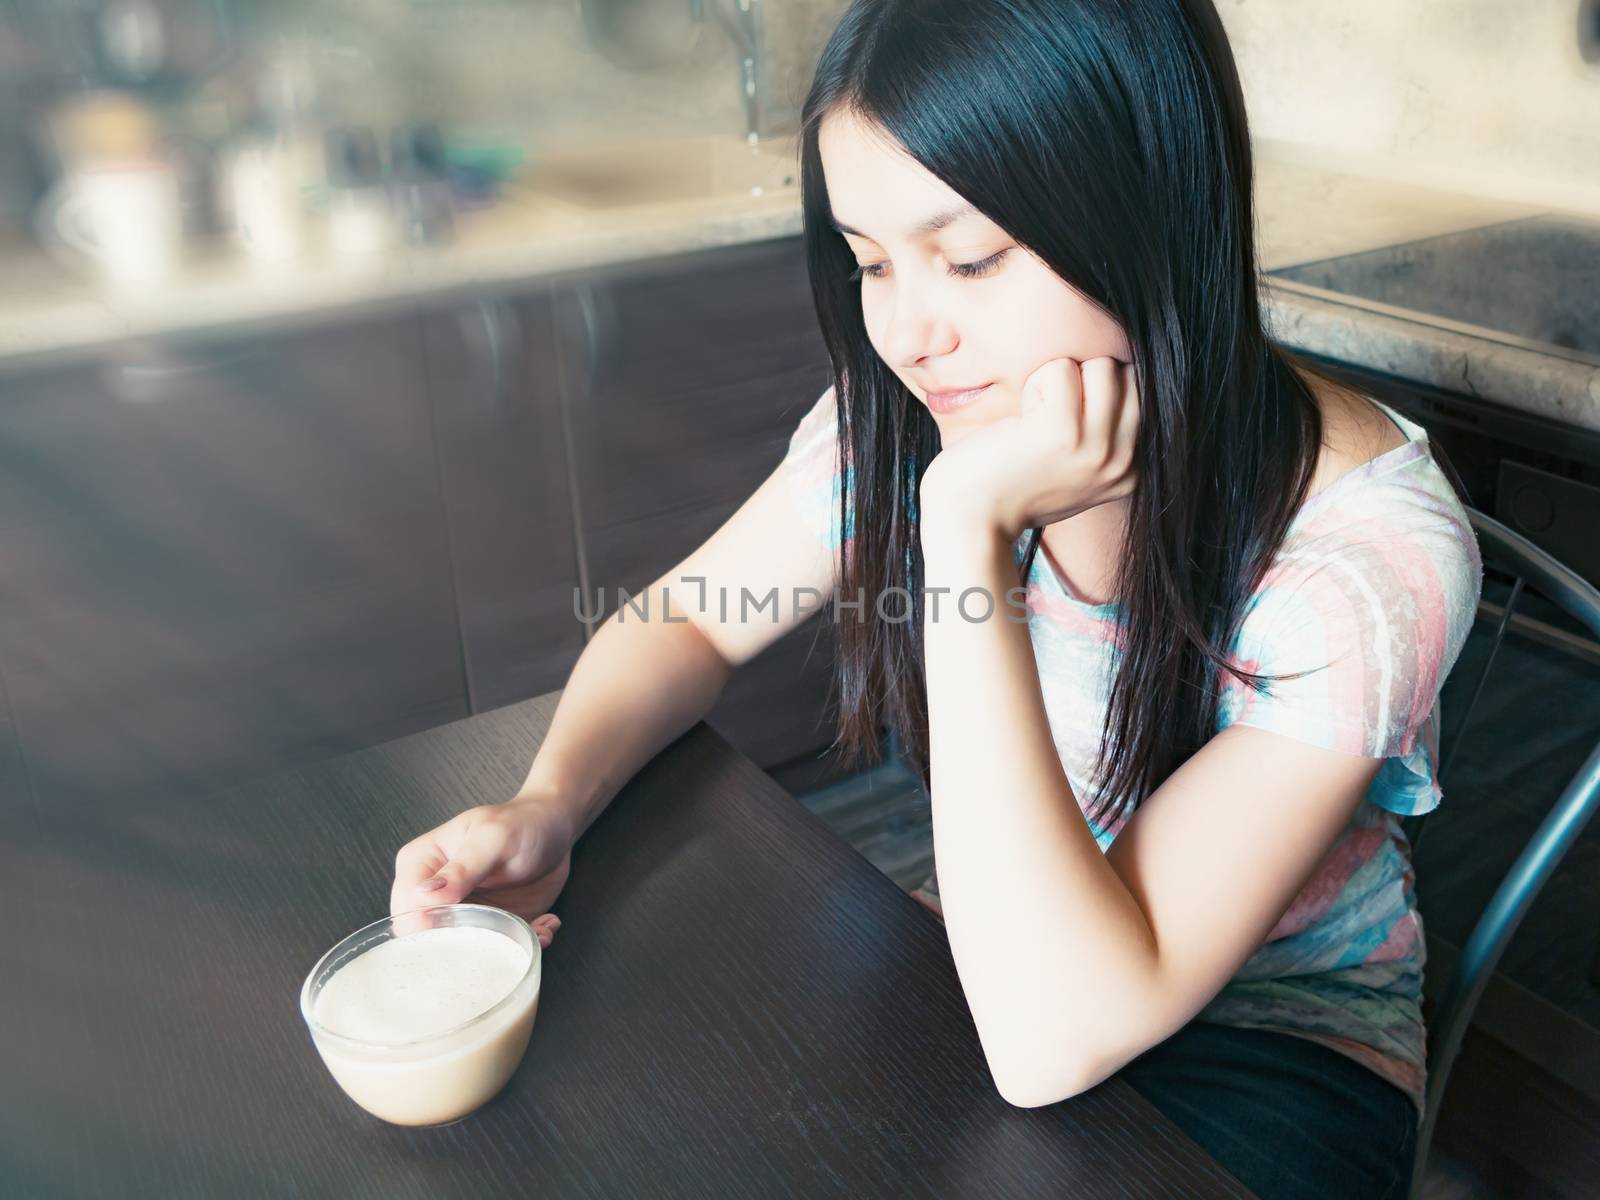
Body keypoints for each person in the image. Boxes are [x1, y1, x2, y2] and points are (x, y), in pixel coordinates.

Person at [389, 1, 1482, 1195]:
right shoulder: (925, 420)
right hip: (984, 951)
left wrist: (966, 531)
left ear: (1146, 213)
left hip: (1269, 1047)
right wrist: (551, 798)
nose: (911, 333)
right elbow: (686, 617)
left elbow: (1052, 1039)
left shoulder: (1363, 555)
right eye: (869, 263)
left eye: (969, 258)